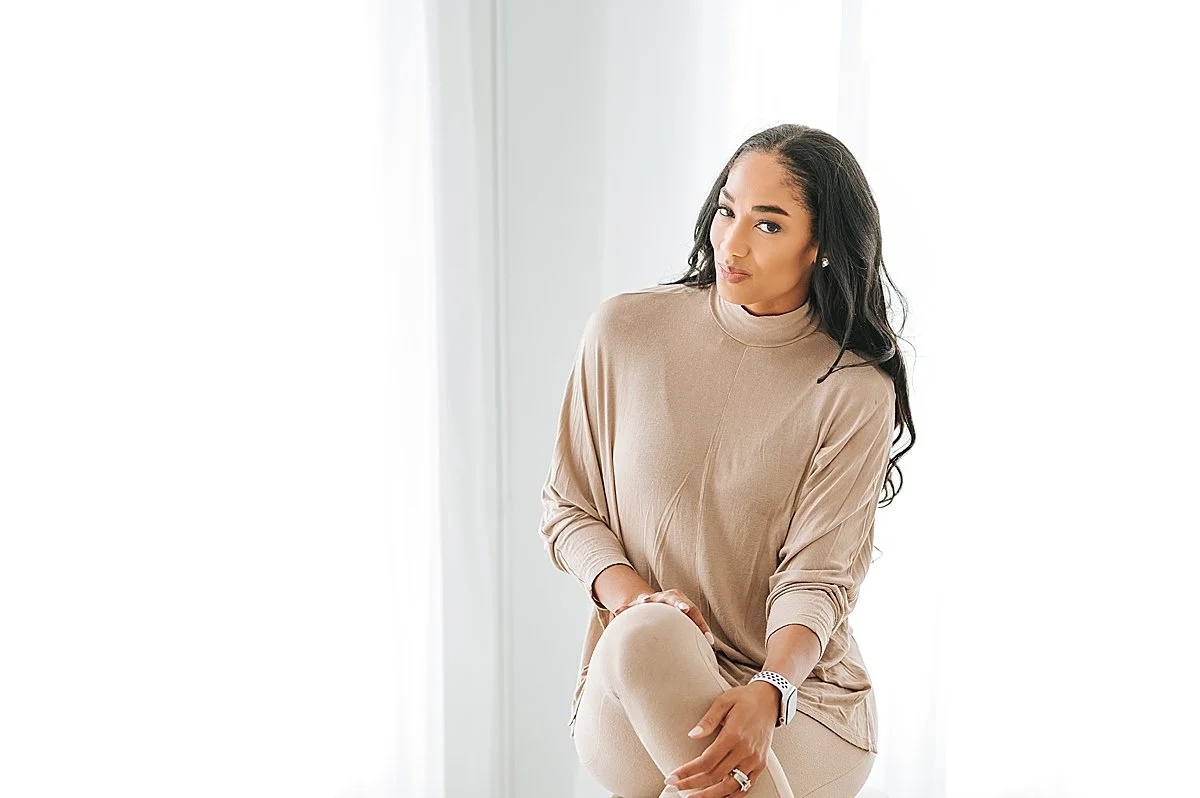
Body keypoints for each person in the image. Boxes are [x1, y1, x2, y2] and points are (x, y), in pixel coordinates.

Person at [539, 123, 915, 798]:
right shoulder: (625, 331)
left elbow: (817, 577)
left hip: (797, 704)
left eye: (768, 225)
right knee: (649, 634)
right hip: (630, 684)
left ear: (822, 245)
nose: (732, 243)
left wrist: (771, 690)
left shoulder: (853, 389)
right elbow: (570, 509)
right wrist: (637, 601)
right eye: (726, 211)